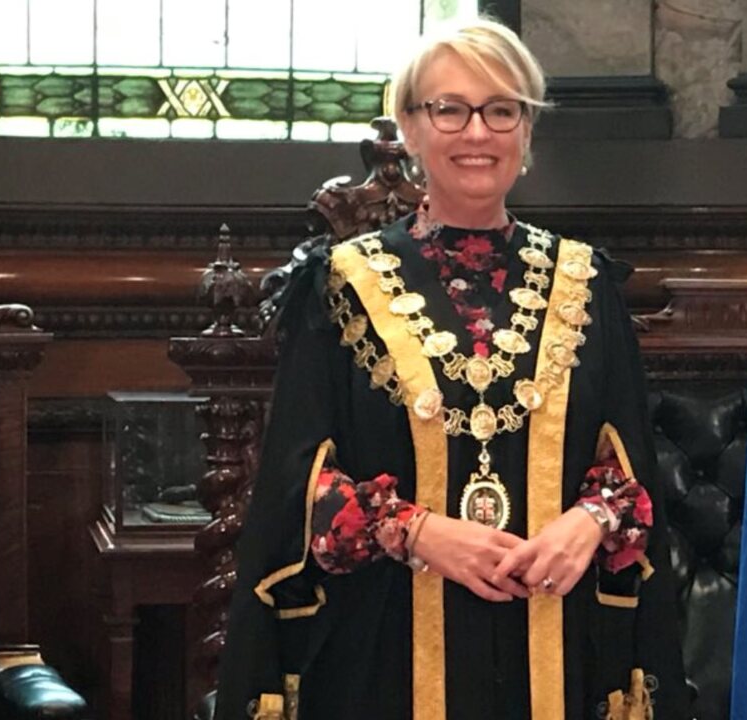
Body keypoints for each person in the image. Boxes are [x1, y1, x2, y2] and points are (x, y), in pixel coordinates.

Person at [216, 18, 686, 720]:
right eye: (449, 108)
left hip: (561, 638)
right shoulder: (340, 284)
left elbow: (628, 472)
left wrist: (587, 522)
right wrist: (418, 532)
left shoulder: (587, 283)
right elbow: (297, 485)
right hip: (384, 652)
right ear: (409, 127)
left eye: (502, 110)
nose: (477, 132)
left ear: (526, 132)